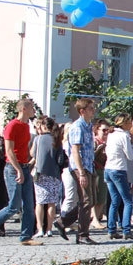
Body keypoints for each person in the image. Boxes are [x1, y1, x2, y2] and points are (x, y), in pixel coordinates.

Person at [0, 98, 41, 246]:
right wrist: (18, 169)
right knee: (14, 205)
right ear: (23, 109)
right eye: (31, 107)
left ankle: (26, 236)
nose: (34, 110)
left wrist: (29, 163)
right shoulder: (12, 126)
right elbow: (9, 151)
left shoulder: (26, 126)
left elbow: (24, 148)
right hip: (13, 169)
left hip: (24, 167)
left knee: (29, 205)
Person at [57, 98, 98, 244]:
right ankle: (82, 235)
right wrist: (81, 172)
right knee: (86, 200)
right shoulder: (77, 127)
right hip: (80, 167)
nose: (94, 110)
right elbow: (75, 151)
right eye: (91, 108)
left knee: (90, 200)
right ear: (82, 111)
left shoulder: (89, 125)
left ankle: (63, 222)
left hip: (89, 165)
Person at [105, 114, 133, 239]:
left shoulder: (111, 135)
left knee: (114, 200)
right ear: (125, 123)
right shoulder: (124, 136)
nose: (131, 125)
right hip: (119, 169)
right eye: (129, 122)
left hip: (108, 168)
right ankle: (126, 230)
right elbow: (130, 156)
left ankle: (111, 229)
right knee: (128, 200)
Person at [32, 117, 64, 238]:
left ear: (43, 127)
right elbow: (60, 159)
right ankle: (49, 229)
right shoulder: (56, 139)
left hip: (40, 173)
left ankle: (40, 229)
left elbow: (33, 153)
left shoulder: (38, 139)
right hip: (54, 173)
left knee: (40, 202)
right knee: (51, 203)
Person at [91, 119, 111, 229]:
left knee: (102, 197)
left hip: (104, 170)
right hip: (95, 170)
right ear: (97, 130)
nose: (106, 132)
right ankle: (94, 219)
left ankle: (97, 218)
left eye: (108, 130)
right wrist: (98, 150)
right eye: (104, 130)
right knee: (95, 196)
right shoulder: (94, 141)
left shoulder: (108, 142)